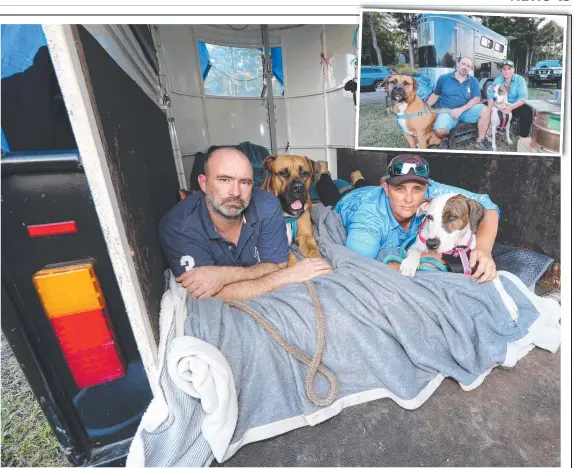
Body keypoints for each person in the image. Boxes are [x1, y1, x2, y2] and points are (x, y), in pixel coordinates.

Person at [158, 147, 332, 301]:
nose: (235, 192)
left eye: (245, 182)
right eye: (224, 180)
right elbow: (205, 294)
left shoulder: (268, 205)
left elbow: (278, 265)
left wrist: (222, 275)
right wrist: (284, 275)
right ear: (203, 183)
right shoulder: (178, 227)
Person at [328, 154, 500, 283]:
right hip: (351, 199)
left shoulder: (434, 193)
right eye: (400, 189)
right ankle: (331, 177)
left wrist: (484, 249)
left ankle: (359, 180)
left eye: (417, 189)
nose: (409, 199)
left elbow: (488, 205)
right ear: (387, 188)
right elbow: (356, 267)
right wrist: (426, 263)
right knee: (330, 192)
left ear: (426, 187)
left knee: (364, 184)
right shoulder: (368, 219)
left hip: (376, 190)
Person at [426, 56, 491, 151]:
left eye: (468, 66)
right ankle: (445, 139)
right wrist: (425, 106)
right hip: (448, 111)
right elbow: (435, 95)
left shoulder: (473, 81)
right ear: (457, 64)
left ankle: (480, 140)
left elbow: (476, 99)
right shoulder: (443, 78)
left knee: (485, 110)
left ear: (470, 69)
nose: (465, 67)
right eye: (463, 64)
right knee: (439, 131)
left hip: (467, 110)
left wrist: (461, 110)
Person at [485, 59, 533, 143]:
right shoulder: (497, 80)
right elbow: (490, 94)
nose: (506, 71)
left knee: (527, 109)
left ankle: (523, 138)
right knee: (486, 108)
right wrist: (490, 108)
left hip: (515, 106)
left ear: (513, 69)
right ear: (501, 70)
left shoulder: (520, 80)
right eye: (504, 69)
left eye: (509, 68)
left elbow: (523, 98)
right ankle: (489, 130)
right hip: (500, 105)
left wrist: (511, 107)